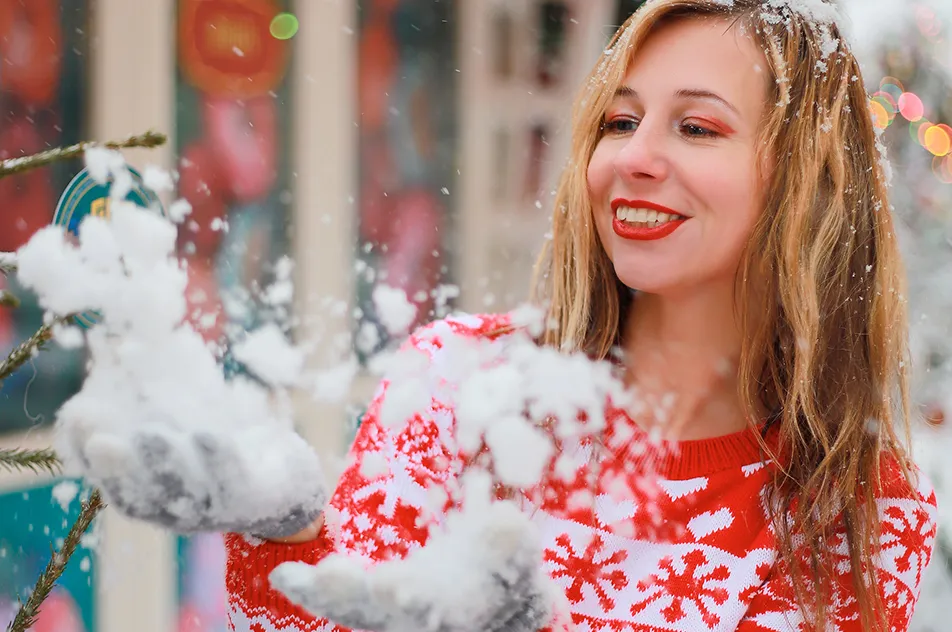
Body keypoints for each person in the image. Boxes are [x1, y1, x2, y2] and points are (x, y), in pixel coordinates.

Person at [76, 1, 938, 631]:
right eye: (620, 119)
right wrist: (287, 530)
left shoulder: (861, 505)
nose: (633, 158)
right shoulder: (460, 385)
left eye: (697, 129)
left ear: (806, 183)